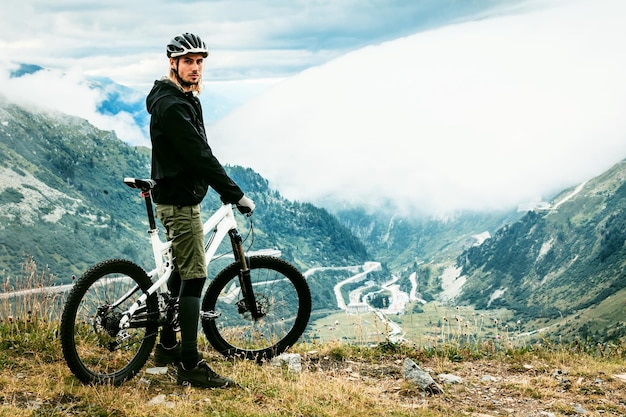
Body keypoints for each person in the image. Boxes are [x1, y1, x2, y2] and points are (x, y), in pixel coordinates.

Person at [146, 32, 255, 388]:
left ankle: (166, 346)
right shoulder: (174, 106)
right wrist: (234, 193)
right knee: (193, 277)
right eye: (188, 62)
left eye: (199, 62)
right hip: (179, 202)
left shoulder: (180, 97)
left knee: (179, 271)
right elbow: (199, 154)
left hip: (175, 194)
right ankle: (191, 365)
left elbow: (197, 152)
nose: (195, 68)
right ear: (173, 64)